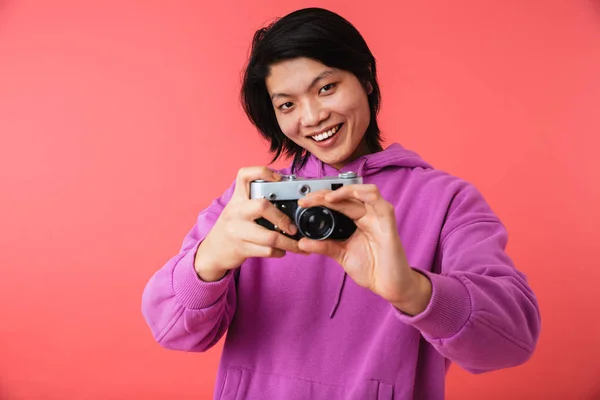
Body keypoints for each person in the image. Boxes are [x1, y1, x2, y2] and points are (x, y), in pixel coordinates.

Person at [141, 7, 541, 400]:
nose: (312, 116)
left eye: (326, 87)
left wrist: (413, 291)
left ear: (365, 77)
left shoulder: (447, 201)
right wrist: (209, 259)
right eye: (287, 105)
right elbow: (170, 330)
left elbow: (512, 341)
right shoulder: (253, 200)